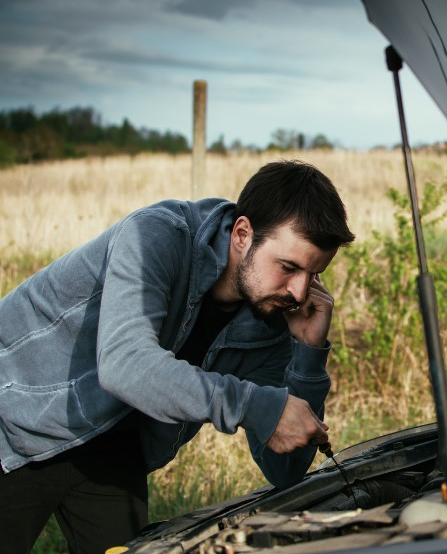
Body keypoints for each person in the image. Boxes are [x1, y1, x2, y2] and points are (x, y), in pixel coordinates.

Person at [0, 159, 355, 553]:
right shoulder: (157, 235)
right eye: (289, 267)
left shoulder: (272, 318)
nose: (300, 292)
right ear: (242, 233)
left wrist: (307, 353)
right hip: (19, 419)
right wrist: (253, 404)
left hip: (113, 450)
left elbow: (284, 470)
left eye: (314, 274)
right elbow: (125, 365)